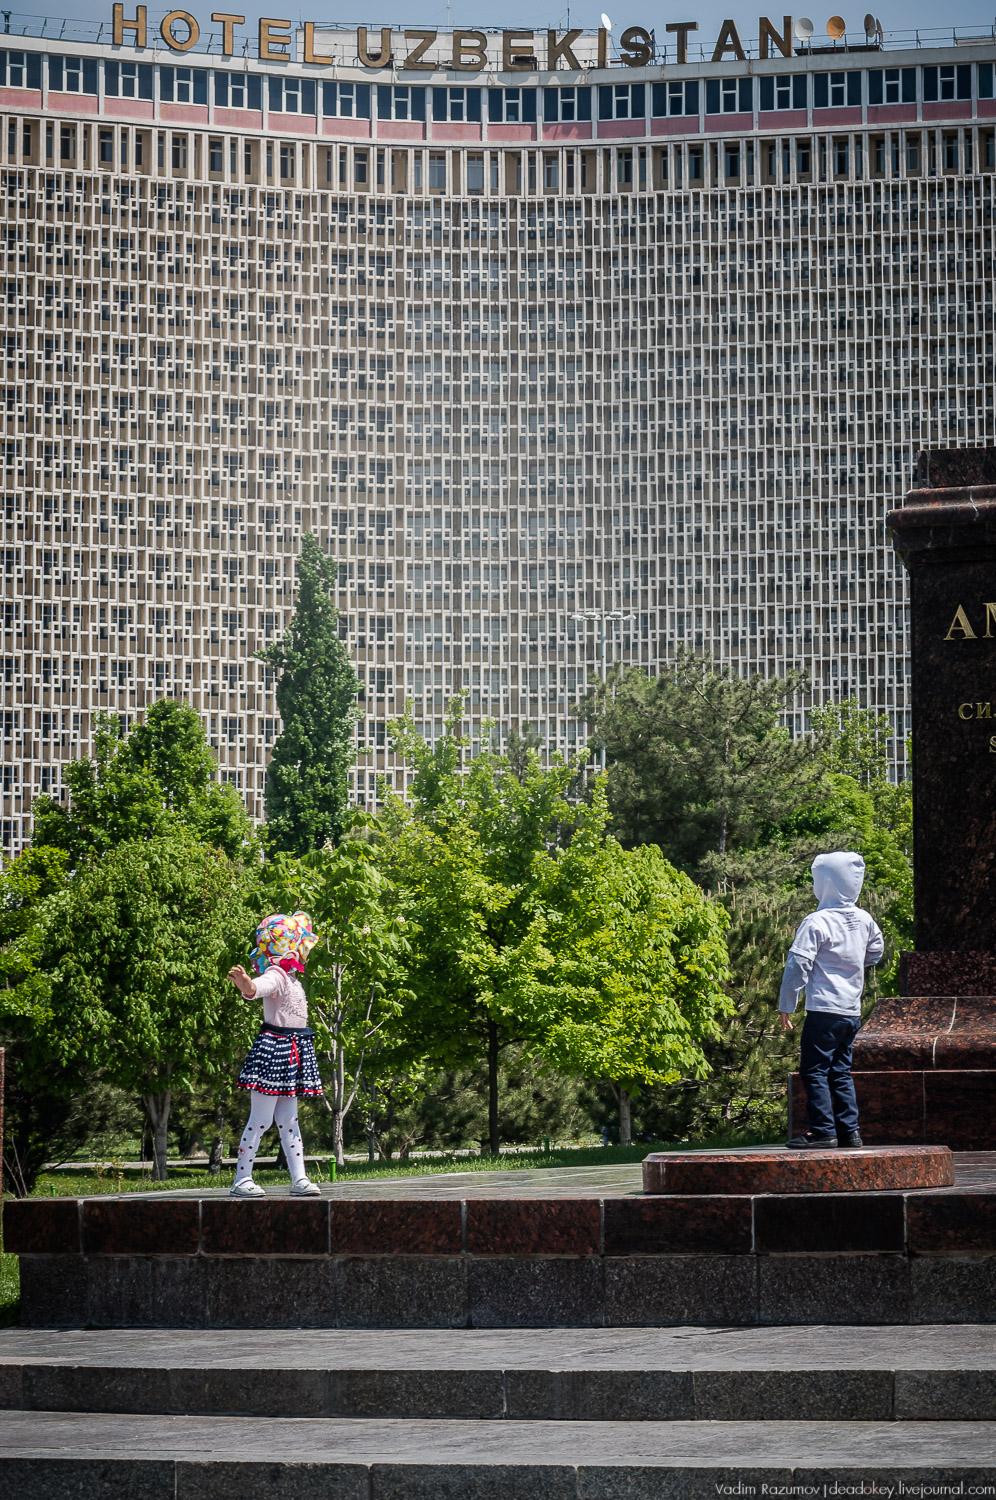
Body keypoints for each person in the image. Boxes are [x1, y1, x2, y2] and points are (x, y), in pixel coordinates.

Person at [779, 851, 884, 1149]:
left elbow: (797, 965)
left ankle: (823, 1131)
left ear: (824, 883)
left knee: (814, 1070)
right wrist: (851, 964)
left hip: (824, 1009)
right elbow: (876, 951)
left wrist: (787, 1005)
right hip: (851, 1011)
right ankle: (850, 1132)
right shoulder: (864, 919)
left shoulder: (817, 921)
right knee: (841, 1071)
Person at [227, 911, 324, 1198]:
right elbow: (260, 988)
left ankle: (299, 1179)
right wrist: (248, 985)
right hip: (275, 1051)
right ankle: (241, 1178)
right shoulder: (278, 975)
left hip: (291, 1051)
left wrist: (251, 986)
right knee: (261, 1119)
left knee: (289, 1120)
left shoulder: (292, 979)